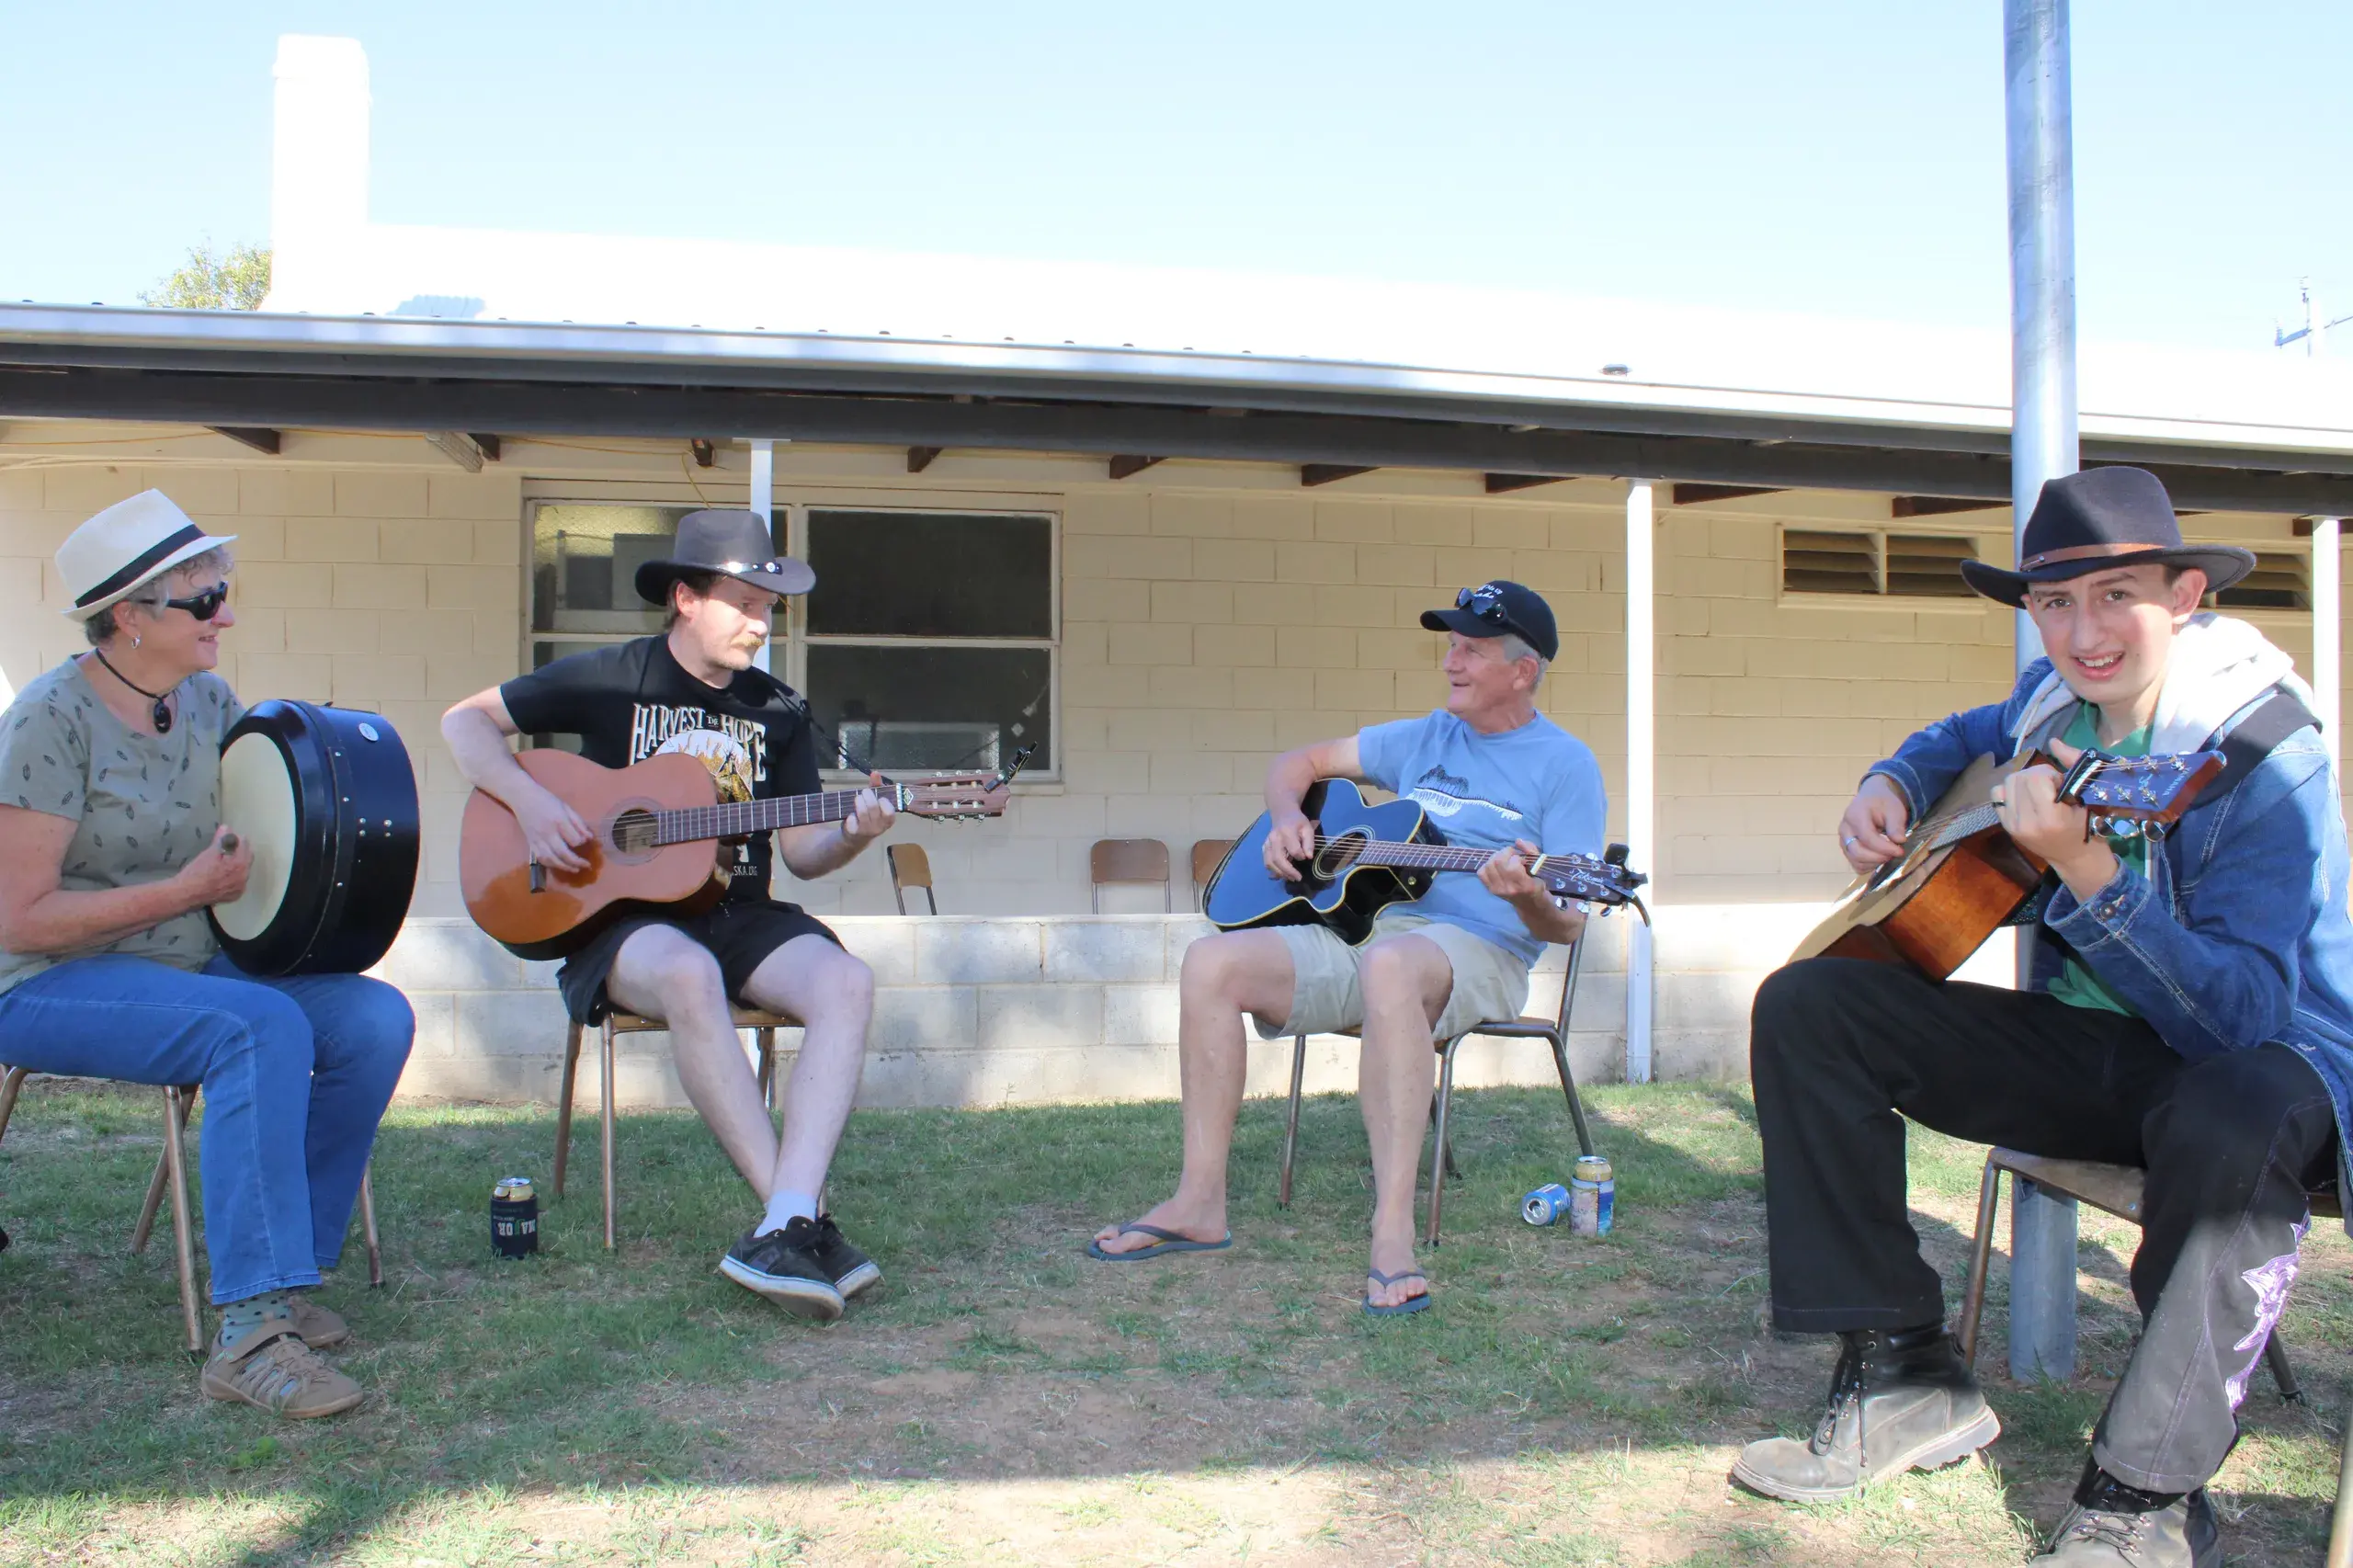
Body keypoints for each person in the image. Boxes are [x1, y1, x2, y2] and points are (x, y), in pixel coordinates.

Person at [1732, 467, 2353, 1567]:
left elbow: (2246, 1020)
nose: (2084, 630)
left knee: (2231, 1100)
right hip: (2102, 1054)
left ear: (2187, 592)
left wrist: (2094, 876)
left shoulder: (2265, 756)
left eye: (2117, 595)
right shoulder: (2051, 704)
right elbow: (1965, 728)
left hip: (2271, 1069)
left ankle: (2142, 1497)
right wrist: (1895, 775)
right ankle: (1905, 1377)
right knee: (1811, 1002)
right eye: (2054, 603)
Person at [0, 490, 415, 1419]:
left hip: (187, 966)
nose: (224, 613)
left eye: (221, 590)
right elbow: (20, 917)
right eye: (201, 599)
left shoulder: (209, 702)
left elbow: (251, 833)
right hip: (49, 980)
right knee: (256, 1023)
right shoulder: (48, 721)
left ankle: (292, 1266)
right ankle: (251, 1332)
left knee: (373, 1015)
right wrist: (184, 892)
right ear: (127, 618)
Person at [1089, 581, 1606, 1314]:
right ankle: (1198, 1203)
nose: (1451, 662)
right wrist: (1282, 822)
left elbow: (1568, 922)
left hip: (1479, 953)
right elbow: (1296, 763)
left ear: (1522, 671)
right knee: (1211, 962)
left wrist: (1525, 893)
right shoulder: (1423, 737)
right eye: (1450, 645)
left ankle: (1391, 1231)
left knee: (1394, 968)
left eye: (1470, 650)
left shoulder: (1566, 766)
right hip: (1371, 935)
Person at [442, 509, 894, 1323]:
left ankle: (786, 1218)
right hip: (619, 921)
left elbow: (803, 853)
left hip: (742, 912)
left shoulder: (779, 711)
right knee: (688, 974)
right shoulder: (615, 675)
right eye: (745, 604)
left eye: (768, 609)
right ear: (686, 598)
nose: (761, 625)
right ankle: (797, 1219)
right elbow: (463, 723)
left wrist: (856, 834)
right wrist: (533, 803)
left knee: (848, 983)